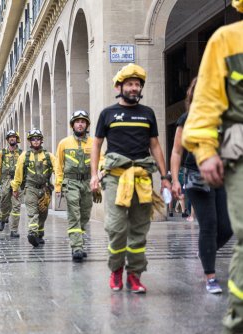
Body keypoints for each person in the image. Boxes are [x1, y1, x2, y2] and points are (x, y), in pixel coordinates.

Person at [182, 2, 243, 330]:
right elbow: (203, 107)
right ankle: (238, 319)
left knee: (226, 229)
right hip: (227, 162)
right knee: (218, 227)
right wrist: (204, 153)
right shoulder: (227, 40)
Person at [90, 63, 171, 293]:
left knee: (139, 229)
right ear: (120, 86)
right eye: (130, 84)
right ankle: (116, 270)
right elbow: (96, 144)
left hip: (143, 178)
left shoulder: (148, 113)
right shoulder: (108, 113)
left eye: (137, 84)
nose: (134, 88)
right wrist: (94, 175)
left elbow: (155, 145)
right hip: (116, 177)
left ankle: (134, 275)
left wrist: (165, 177)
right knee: (116, 228)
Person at [171, 78, 233, 293]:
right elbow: (177, 151)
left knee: (227, 227)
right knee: (209, 224)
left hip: (221, 176)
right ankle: (210, 277)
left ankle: (206, 250)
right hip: (196, 177)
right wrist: (175, 180)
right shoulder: (187, 119)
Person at [55, 110, 94, 262]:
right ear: (73, 125)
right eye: (77, 121)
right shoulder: (64, 143)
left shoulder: (93, 142)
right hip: (70, 183)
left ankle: (79, 243)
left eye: (83, 121)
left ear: (87, 125)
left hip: (88, 182)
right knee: (74, 213)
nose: (80, 124)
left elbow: (100, 160)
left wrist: (99, 179)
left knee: (85, 214)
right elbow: (59, 166)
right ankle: (76, 247)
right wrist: (58, 187)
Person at [11, 129, 57, 247]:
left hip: (45, 189)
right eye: (33, 139)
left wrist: (59, 185)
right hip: (30, 188)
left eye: (38, 139)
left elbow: (58, 169)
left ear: (41, 140)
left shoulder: (49, 156)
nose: (35, 141)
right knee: (33, 211)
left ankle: (39, 233)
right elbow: (18, 173)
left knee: (43, 212)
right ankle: (32, 233)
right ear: (30, 141)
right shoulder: (24, 156)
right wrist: (15, 188)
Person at [0, 130, 23, 237]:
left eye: (14, 137)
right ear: (7, 140)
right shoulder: (2, 153)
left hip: (17, 181)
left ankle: (14, 230)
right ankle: (2, 219)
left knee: (16, 206)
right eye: (10, 137)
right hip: (5, 180)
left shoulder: (21, 153)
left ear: (16, 139)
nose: (12, 139)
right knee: (4, 202)